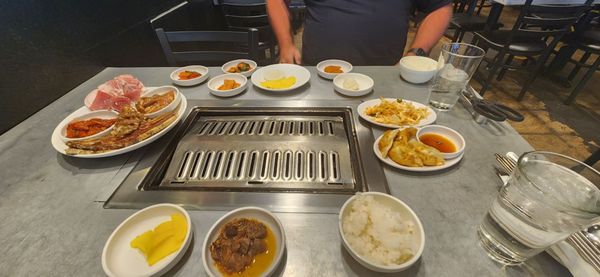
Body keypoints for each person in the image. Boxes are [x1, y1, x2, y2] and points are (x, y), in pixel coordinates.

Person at [266, 0, 453, 65]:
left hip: (385, 72)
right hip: (319, 70)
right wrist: (285, 44)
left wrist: (416, 53)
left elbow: (440, 8)